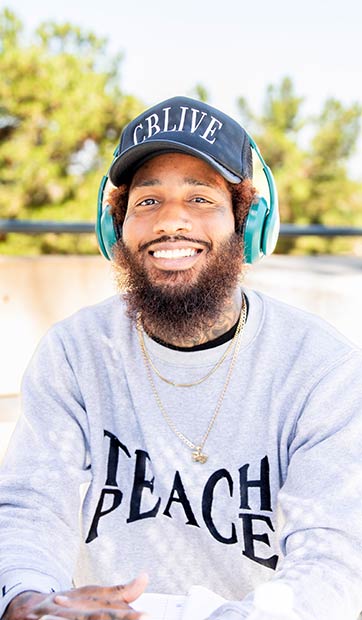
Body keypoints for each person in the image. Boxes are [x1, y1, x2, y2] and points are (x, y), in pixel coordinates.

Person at [0, 96, 362, 620]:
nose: (171, 221)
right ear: (114, 230)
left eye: (200, 198)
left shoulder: (321, 369)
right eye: (147, 201)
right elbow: (31, 507)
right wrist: (28, 598)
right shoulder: (75, 353)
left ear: (249, 223)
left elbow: (335, 561)